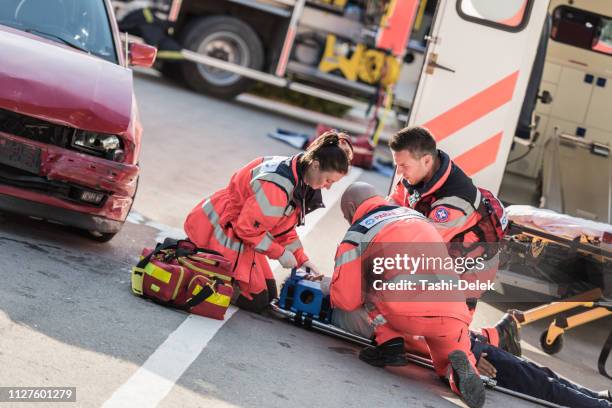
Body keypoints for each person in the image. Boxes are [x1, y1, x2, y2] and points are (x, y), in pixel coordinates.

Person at [328, 182, 486, 408]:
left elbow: (346, 299)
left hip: (404, 308)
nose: (348, 221)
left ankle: (390, 345)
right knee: (446, 360)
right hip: (453, 306)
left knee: (368, 285)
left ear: (352, 208)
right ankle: (459, 374)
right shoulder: (415, 215)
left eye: (346, 216)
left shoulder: (359, 231)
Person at [184, 130, 353, 313]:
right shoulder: (278, 186)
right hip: (223, 228)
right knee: (255, 301)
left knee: (270, 296)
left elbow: (282, 228)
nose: (327, 187)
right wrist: (279, 253)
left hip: (239, 231)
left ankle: (205, 266)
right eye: (328, 180)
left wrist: (302, 259)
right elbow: (246, 229)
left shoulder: (299, 175)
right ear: (315, 165)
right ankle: (196, 266)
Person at [387, 125, 520, 356]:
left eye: (404, 166)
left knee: (441, 343)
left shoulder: (454, 202)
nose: (400, 172)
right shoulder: (413, 177)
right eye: (397, 165)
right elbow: (391, 209)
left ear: (427, 161)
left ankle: (498, 336)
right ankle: (498, 335)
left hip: (470, 270)